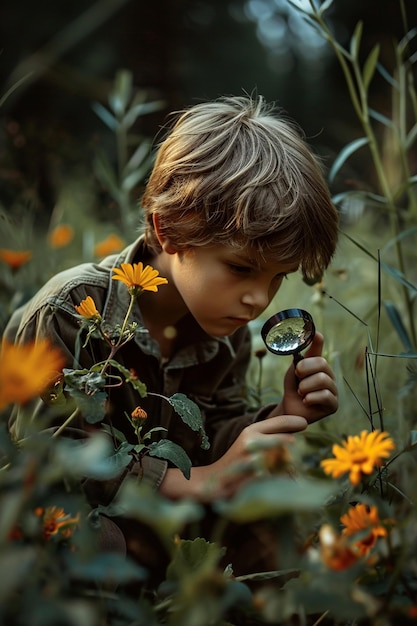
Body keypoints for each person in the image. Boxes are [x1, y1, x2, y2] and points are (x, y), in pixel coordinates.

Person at [3, 95, 339, 584]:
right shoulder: (73, 312)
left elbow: (213, 435)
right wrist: (190, 484)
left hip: (161, 521)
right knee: (95, 544)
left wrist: (280, 420)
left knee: (273, 520)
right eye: (241, 268)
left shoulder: (224, 332)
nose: (256, 300)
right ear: (170, 230)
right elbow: (48, 460)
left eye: (277, 279)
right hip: (60, 517)